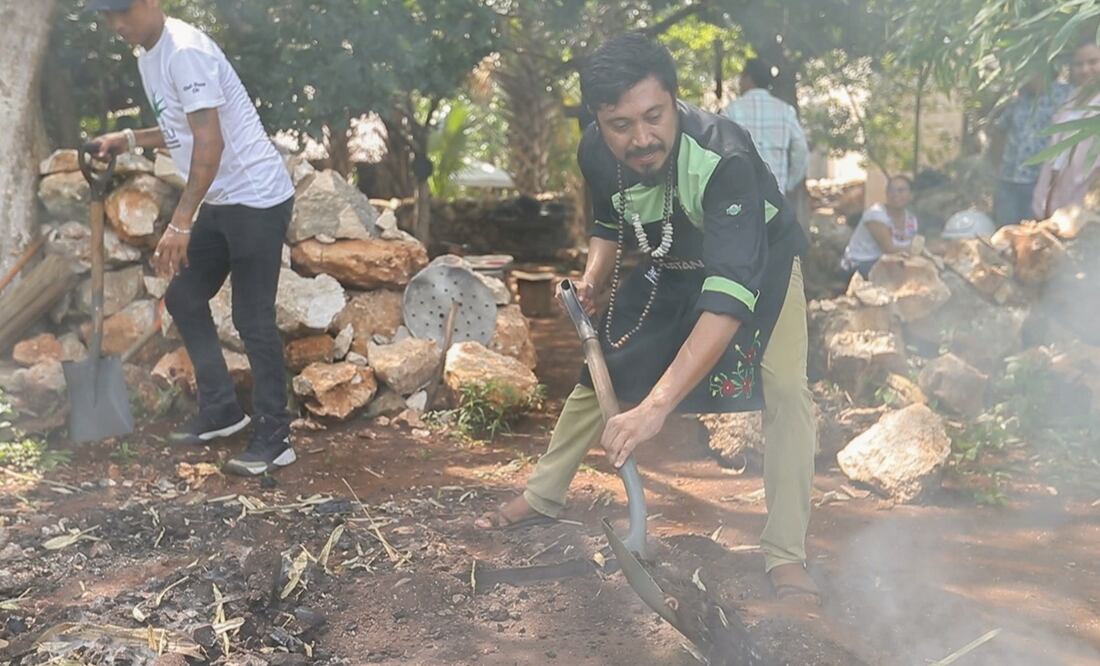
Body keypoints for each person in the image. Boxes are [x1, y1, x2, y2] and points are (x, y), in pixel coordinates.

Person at [476, 33, 819, 603]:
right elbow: (610, 224)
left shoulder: (723, 156)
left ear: (674, 102)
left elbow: (730, 295)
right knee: (603, 366)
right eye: (620, 125)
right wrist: (593, 281)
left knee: (785, 386)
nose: (641, 139)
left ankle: (785, 555)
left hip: (762, 264)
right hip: (672, 259)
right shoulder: (595, 152)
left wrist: (656, 407)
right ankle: (543, 495)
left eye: (653, 117)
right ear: (597, 120)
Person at [87, 0, 297, 476]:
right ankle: (223, 410)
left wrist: (181, 222)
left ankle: (275, 436)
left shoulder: (185, 51)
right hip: (224, 199)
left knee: (252, 317)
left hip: (257, 197)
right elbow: (180, 127)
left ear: (151, 3)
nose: (117, 25)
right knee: (183, 295)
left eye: (123, 12)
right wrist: (128, 139)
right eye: (107, 17)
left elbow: (210, 141)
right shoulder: (150, 54)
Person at [989, 73, 1071, 227]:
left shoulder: (1063, 95)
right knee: (1005, 230)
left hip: (1039, 181)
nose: (1025, 78)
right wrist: (996, 167)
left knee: (1032, 233)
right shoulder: (1017, 99)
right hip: (1009, 179)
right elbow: (1000, 130)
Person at [723, 58, 809, 201]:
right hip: (775, 202)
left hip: (741, 203)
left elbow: (718, 153)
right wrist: (788, 183)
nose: (739, 83)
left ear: (748, 78)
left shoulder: (731, 111)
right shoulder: (785, 112)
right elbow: (801, 150)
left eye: (741, 78)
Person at [1033, 42, 1100, 219]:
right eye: (1079, 64)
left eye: (1093, 62)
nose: (1086, 70)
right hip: (1055, 194)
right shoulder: (1071, 98)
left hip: (1087, 201)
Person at [841, 175, 919, 279]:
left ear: (911, 195)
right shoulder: (875, 214)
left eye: (901, 190)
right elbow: (890, 249)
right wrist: (919, 249)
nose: (895, 194)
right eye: (891, 190)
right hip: (859, 262)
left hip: (884, 262)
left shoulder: (911, 220)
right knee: (900, 273)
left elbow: (909, 248)